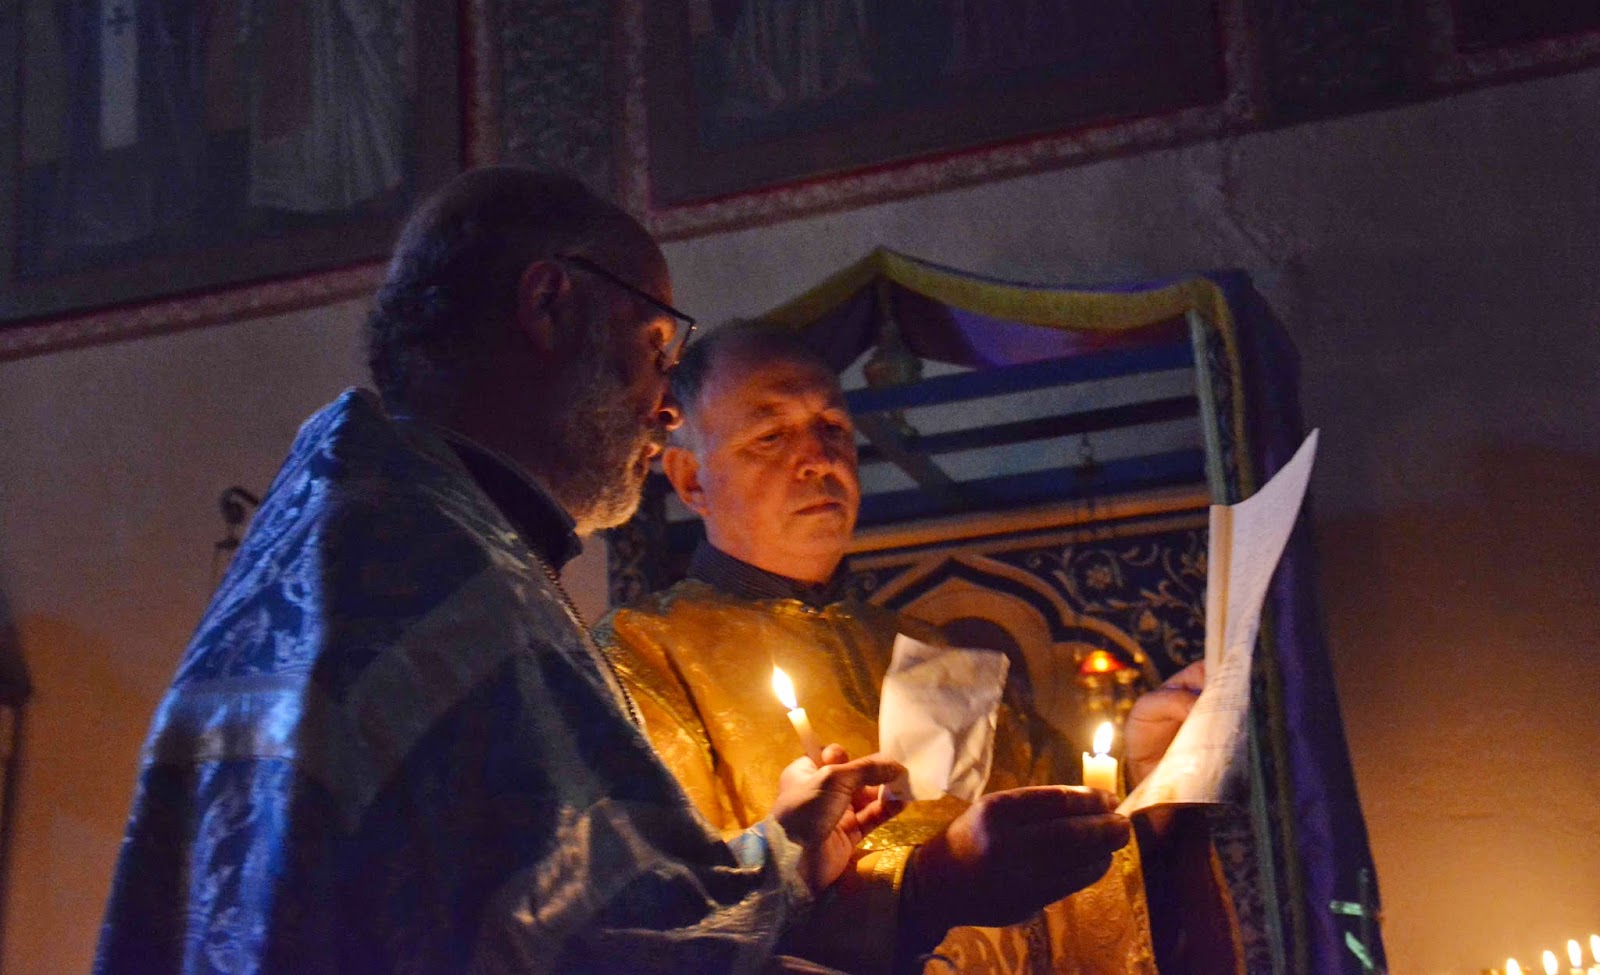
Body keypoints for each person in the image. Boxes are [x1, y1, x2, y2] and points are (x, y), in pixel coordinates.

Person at [94, 169, 1136, 974]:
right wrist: (931, 884)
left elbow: (574, 909)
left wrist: (787, 851)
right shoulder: (440, 586)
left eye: (834, 429)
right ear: (549, 305)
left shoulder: (360, 534)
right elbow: (612, 955)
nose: (664, 401)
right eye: (653, 346)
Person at [598, 321, 1242, 973]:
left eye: (833, 426)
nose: (818, 457)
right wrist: (929, 879)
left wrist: (1149, 783)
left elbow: (1067, 866)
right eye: (770, 435)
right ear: (690, 479)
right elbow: (663, 923)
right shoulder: (640, 659)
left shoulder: (927, 648)